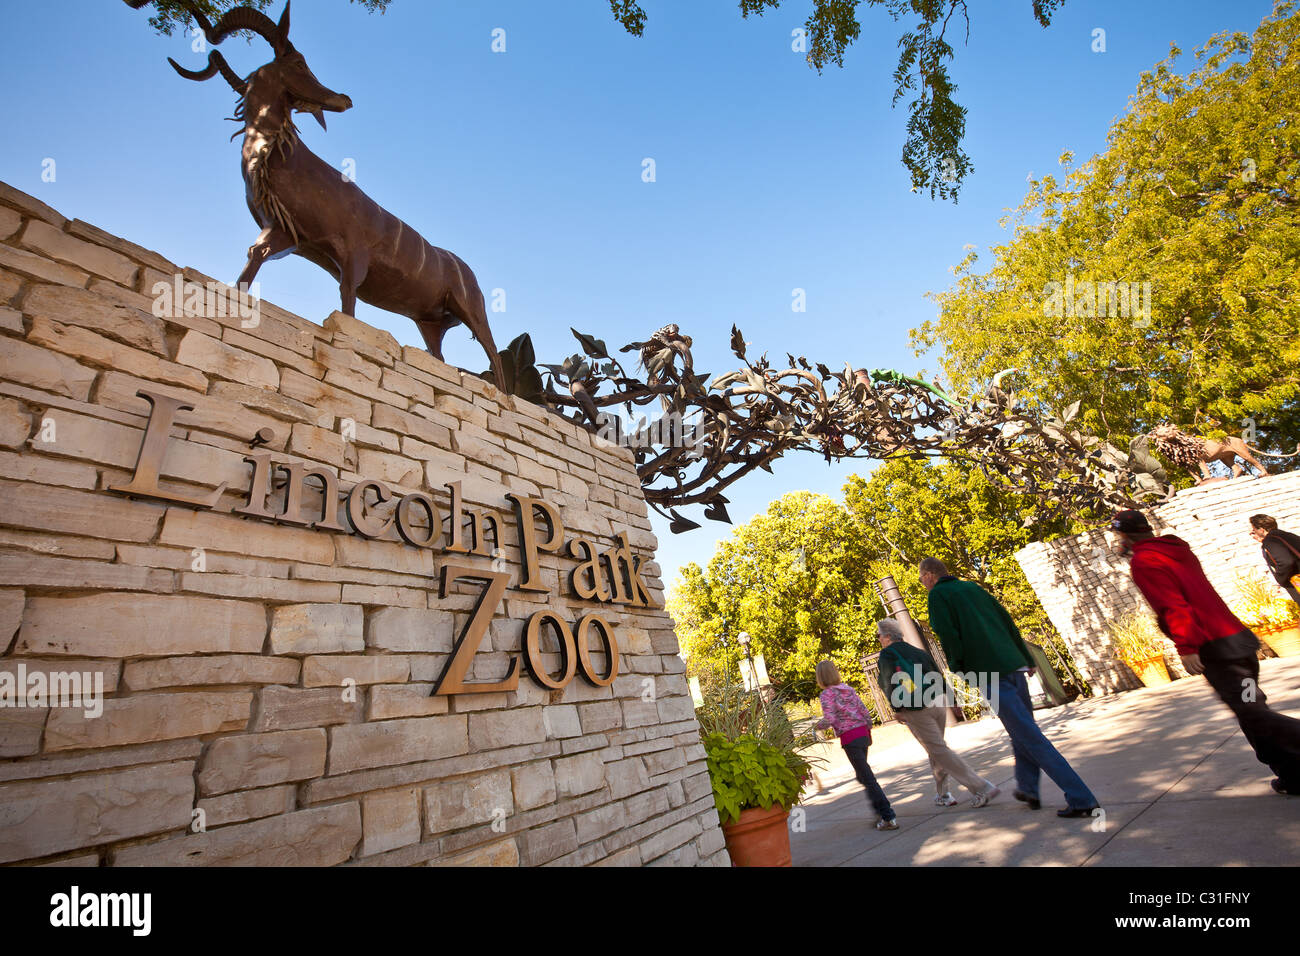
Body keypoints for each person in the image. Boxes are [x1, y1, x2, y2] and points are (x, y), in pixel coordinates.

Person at [1114, 510, 1300, 796]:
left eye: (1117, 534)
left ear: (1125, 535)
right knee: (1250, 710)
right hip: (1240, 643)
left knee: (1254, 714)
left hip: (1218, 652)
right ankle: (1291, 775)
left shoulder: (1145, 561)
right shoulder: (1177, 549)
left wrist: (1186, 648)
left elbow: (1173, 606)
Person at [921, 557, 1100, 818]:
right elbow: (1007, 622)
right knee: (1022, 730)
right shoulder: (973, 588)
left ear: (928, 575)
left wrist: (958, 666)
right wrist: (1026, 659)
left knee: (1030, 737)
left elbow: (948, 634)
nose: (923, 583)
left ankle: (1081, 797)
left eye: (921, 578)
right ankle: (1029, 789)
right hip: (1014, 665)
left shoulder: (938, 595)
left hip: (989, 672)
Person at [875, 617, 1000, 808]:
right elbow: (938, 674)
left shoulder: (887, 655)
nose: (879, 639)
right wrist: (953, 702)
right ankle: (943, 794)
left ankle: (981, 786)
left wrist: (896, 709)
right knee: (936, 749)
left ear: (888, 636)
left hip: (916, 707)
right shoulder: (918, 652)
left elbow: (888, 681)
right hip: (938, 701)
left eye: (879, 636)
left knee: (938, 750)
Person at [814, 660, 898, 830]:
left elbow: (830, 719)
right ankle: (878, 812)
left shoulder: (826, 695)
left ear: (820, 677)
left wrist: (816, 726)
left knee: (867, 778)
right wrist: (868, 730)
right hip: (862, 734)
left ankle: (887, 816)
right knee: (863, 775)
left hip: (849, 737)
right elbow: (864, 711)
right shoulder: (848, 689)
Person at [1249, 514, 1300, 606]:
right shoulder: (1287, 535)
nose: (1253, 533)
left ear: (1261, 529)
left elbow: (1286, 562)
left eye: (1254, 530)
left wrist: (1280, 578)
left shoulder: (1270, 541)